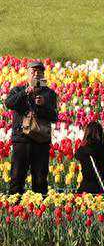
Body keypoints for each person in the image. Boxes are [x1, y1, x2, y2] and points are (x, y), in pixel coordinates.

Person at [5, 60, 58, 195]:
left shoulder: (49, 93)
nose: (36, 74)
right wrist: (25, 93)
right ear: (27, 74)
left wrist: (42, 105)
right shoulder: (18, 90)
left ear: (43, 75)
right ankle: (14, 205)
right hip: (21, 140)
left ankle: (39, 206)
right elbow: (9, 103)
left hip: (41, 141)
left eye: (39, 71)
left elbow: (54, 117)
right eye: (33, 71)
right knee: (17, 177)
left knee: (40, 180)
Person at [74, 121, 104, 194]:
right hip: (100, 189)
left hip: (84, 189)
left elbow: (76, 155)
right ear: (101, 134)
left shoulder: (81, 150)